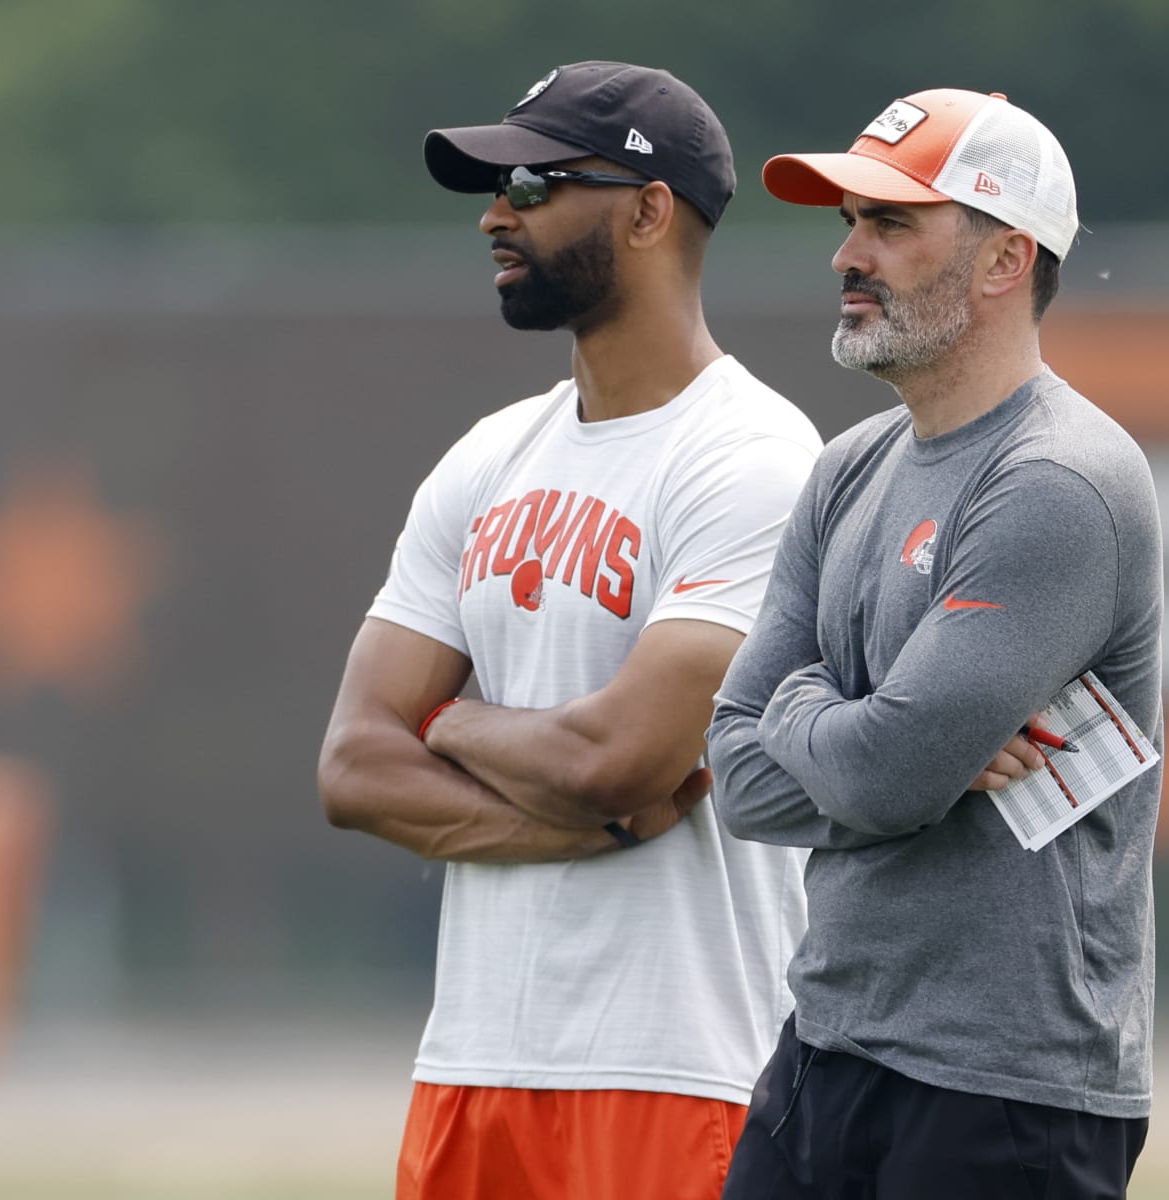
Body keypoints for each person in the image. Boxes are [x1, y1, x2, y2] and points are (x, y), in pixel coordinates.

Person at [317, 61, 821, 1200]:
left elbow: (620, 762)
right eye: (496, 189)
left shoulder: (752, 460)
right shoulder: (488, 456)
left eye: (535, 183)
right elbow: (352, 765)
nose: (498, 214)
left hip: (679, 1073)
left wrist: (445, 719)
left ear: (651, 211)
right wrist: (566, 828)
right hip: (470, 1069)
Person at [706, 88, 1163, 1198]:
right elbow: (733, 772)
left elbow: (891, 774)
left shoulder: (1057, 481)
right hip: (823, 1050)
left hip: (1004, 1093)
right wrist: (879, 738)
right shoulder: (849, 467)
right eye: (849, 223)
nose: (847, 256)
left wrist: (818, 713)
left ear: (1007, 259)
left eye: (892, 224)